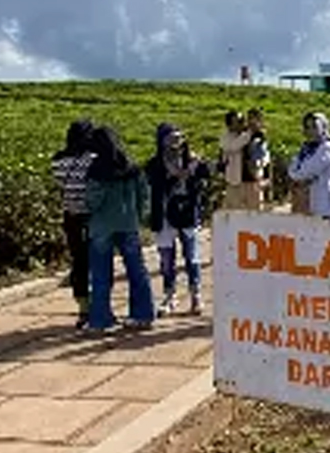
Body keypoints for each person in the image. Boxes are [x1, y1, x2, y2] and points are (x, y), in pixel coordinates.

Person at [83, 123, 155, 332]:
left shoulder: (96, 169)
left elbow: (92, 202)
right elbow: (144, 196)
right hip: (128, 224)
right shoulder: (131, 167)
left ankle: (100, 319)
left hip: (101, 227)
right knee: (137, 271)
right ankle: (143, 315)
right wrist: (138, 217)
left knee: (101, 275)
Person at [147, 123, 211, 315]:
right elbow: (156, 183)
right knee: (167, 260)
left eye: (179, 137)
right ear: (161, 140)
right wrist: (179, 175)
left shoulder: (191, 159)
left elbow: (206, 176)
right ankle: (169, 296)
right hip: (165, 217)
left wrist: (198, 169)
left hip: (188, 214)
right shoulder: (155, 164)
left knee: (192, 257)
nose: (176, 141)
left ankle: (196, 295)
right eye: (171, 138)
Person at [50, 119, 96, 319]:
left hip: (70, 217)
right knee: (96, 260)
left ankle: (83, 306)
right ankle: (97, 304)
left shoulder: (58, 161)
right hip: (91, 217)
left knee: (78, 260)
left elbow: (60, 183)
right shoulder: (93, 160)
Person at [287, 111, 330, 220]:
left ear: (323, 128)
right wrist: (298, 175)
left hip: (324, 208)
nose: (310, 131)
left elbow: (306, 172)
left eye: (314, 127)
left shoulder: (327, 148)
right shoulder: (305, 149)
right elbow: (291, 170)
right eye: (307, 127)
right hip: (307, 206)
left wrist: (298, 176)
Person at [217, 110, 256, 211]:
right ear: (229, 125)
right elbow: (234, 146)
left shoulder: (249, 136)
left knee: (253, 213)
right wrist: (250, 132)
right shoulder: (225, 137)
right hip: (234, 181)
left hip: (250, 181)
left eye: (242, 120)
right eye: (238, 121)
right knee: (236, 212)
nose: (241, 123)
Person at [244, 108, 272, 207]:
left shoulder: (261, 137)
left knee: (255, 212)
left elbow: (265, 160)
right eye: (249, 118)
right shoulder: (243, 135)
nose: (251, 121)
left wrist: (266, 179)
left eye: (254, 119)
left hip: (256, 180)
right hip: (241, 181)